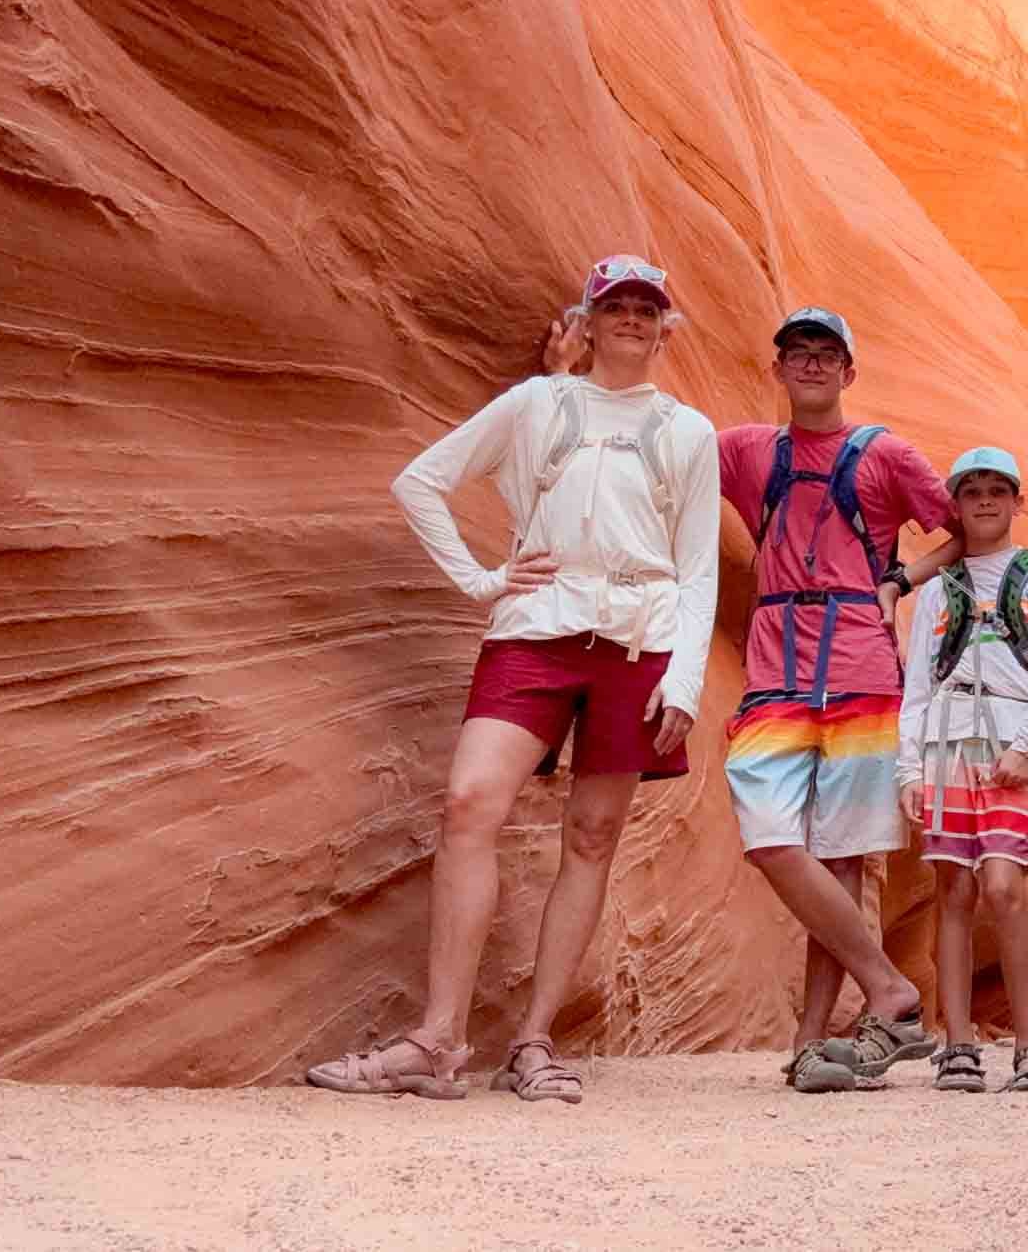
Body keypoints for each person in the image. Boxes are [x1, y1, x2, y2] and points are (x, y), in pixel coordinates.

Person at [306, 254, 720, 1104]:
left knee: (593, 836)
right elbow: (420, 481)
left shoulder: (688, 431)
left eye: (649, 307)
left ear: (665, 327)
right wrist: (480, 579)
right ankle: (438, 1039)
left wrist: (684, 681)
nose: (634, 319)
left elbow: (699, 567)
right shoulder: (539, 403)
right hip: (534, 630)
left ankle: (534, 1042)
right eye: (618, 306)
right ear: (591, 319)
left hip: (640, 641)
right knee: (469, 803)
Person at [715, 308, 961, 1093]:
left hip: (859, 660)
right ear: (779, 368)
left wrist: (901, 580)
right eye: (798, 354)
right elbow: (662, 451)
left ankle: (812, 1040)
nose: (812, 366)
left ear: (849, 371)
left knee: (841, 857)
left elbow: (961, 527)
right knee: (767, 833)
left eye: (827, 355)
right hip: (777, 661)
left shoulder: (886, 453)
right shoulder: (748, 449)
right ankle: (889, 987)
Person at [895, 446, 1028, 1096]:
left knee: (1002, 884)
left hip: (1009, 741)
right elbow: (917, 684)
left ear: (1018, 501)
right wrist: (908, 770)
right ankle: (958, 1044)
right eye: (973, 491)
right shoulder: (939, 590)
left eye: (999, 489)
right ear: (957, 504)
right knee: (954, 891)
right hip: (946, 739)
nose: (987, 501)